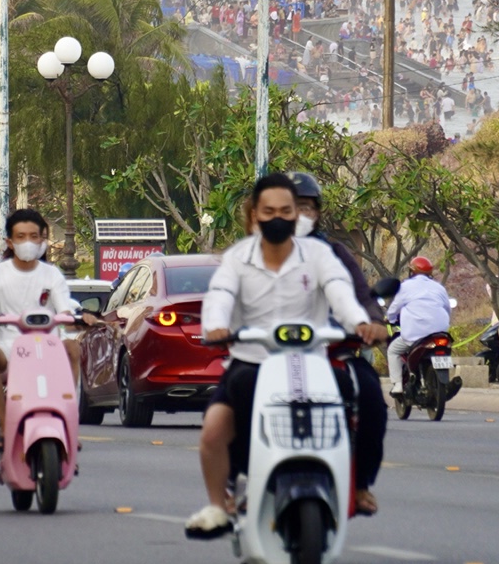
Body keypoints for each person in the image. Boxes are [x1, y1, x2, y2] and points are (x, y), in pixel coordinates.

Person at [187, 173, 381, 538]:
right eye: (269, 211)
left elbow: (341, 292)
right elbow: (220, 296)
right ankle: (220, 503)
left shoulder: (322, 254)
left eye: (288, 210)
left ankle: (350, 480)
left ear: (300, 214)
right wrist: (215, 325)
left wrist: (361, 323)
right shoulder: (236, 258)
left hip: (312, 362)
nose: (279, 217)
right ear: (254, 215)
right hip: (250, 364)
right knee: (214, 431)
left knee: (357, 395)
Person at [286, 171, 389, 513]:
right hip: (273, 356)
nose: (299, 215)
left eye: (305, 207)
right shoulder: (256, 254)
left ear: (317, 212)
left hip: (333, 353)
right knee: (233, 402)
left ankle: (359, 486)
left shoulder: (335, 254)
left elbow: (360, 295)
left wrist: (374, 323)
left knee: (371, 398)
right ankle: (240, 481)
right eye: (289, 207)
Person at [0, 209, 83, 481]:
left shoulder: (52, 275)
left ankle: (68, 428)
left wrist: (79, 320)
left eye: (34, 236)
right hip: (7, 351)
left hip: (45, 351)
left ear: (42, 239)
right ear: (10, 241)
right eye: (21, 236)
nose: (28, 242)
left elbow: (65, 313)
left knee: (73, 349)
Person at [384, 255, 453, 398]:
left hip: (416, 334)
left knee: (393, 350)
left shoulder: (405, 286)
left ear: (412, 272)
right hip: (440, 332)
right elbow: (447, 309)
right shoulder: (439, 287)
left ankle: (397, 385)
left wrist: (389, 319)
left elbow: (394, 308)